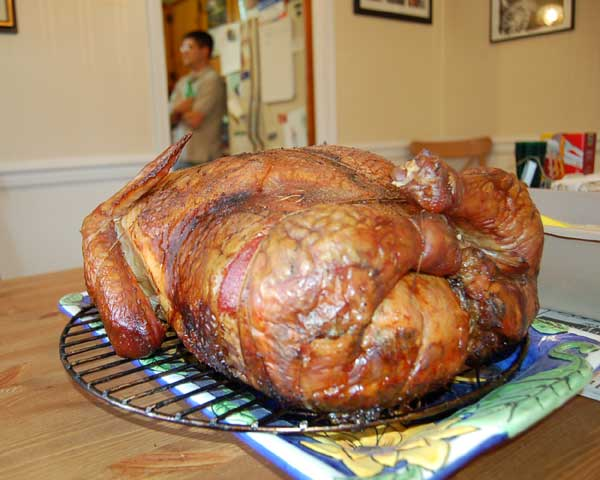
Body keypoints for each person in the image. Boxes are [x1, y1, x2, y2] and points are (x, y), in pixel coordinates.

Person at [169, 30, 226, 169]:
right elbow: (169, 120)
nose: (183, 51)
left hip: (204, 160)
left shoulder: (212, 80)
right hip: (180, 158)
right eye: (182, 47)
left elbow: (195, 120)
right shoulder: (182, 82)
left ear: (204, 51)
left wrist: (178, 112)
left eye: (189, 47)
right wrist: (180, 109)